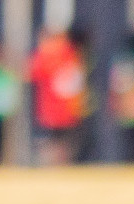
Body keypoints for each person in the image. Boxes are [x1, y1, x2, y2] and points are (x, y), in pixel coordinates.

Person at [29, 26, 90, 165]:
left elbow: (31, 70)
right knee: (62, 146)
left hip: (56, 112)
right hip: (66, 112)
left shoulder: (53, 54)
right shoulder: (70, 53)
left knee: (57, 146)